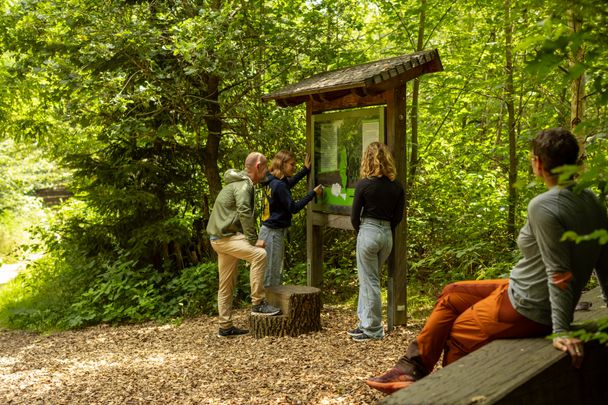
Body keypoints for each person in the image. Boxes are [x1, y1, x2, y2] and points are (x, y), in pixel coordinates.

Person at [366, 128, 608, 394]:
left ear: (537, 163)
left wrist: (561, 330)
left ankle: (445, 396)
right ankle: (410, 368)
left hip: (529, 306)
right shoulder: (592, 200)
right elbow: (604, 258)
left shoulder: (544, 205)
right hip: (525, 290)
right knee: (450, 294)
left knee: (458, 335)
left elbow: (558, 273)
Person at [206, 152, 282, 338]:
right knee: (259, 254)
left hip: (220, 238)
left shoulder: (238, 182)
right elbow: (244, 210)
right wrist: (252, 239)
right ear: (258, 167)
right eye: (265, 169)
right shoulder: (243, 185)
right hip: (225, 238)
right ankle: (258, 303)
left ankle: (225, 326)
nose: (267, 173)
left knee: (226, 284)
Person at [348, 142, 405, 342]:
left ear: (368, 160)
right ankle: (364, 323)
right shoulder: (397, 186)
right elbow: (398, 216)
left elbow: (354, 216)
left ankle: (372, 329)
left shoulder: (364, 184)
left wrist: (363, 232)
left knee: (369, 281)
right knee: (370, 279)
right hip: (387, 235)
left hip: (369, 232)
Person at [259, 151, 323, 288]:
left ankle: (267, 302)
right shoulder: (279, 185)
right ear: (282, 164)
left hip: (267, 231)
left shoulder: (272, 179)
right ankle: (267, 302)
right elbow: (293, 208)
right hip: (273, 233)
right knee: (272, 270)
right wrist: (312, 194)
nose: (294, 167)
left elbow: (289, 184)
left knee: (270, 268)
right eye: (291, 164)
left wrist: (305, 170)